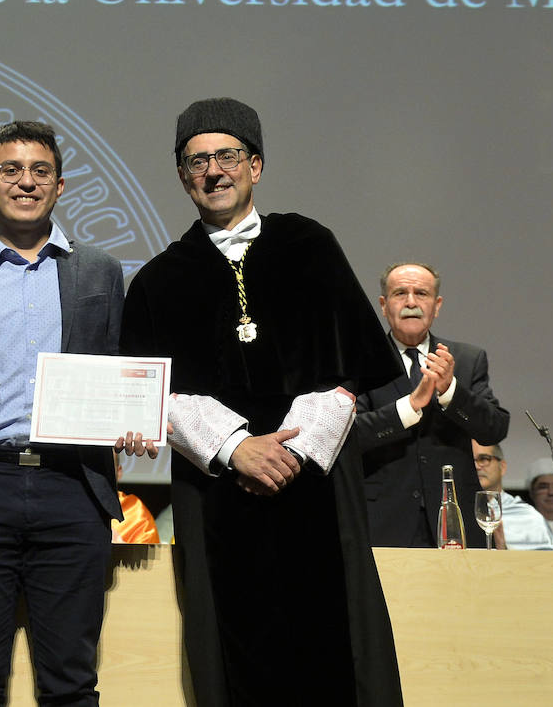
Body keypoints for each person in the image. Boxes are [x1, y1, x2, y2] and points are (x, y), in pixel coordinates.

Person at [120, 97, 404, 705]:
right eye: (197, 162)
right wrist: (235, 447)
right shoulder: (157, 282)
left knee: (339, 648)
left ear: (256, 166)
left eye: (227, 156)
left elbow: (355, 365)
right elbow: (150, 391)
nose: (213, 171)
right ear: (181, 176)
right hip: (219, 490)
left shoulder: (310, 245)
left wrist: (289, 453)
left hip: (318, 485)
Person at [0, 120, 155, 705]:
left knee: (72, 681)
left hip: (73, 486)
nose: (26, 182)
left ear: (61, 185)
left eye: (40, 171)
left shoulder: (100, 271)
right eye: (10, 170)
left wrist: (135, 418)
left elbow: (120, 366)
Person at [351, 262, 509, 548]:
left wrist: (450, 390)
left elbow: (494, 429)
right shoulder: (360, 359)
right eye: (400, 293)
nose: (411, 302)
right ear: (384, 305)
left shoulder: (466, 358)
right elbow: (349, 434)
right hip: (382, 520)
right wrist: (410, 406)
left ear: (437, 305)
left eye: (421, 294)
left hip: (455, 516)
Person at [471, 441, 553, 550]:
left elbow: (549, 563)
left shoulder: (527, 517)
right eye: (470, 461)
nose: (476, 466)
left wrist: (504, 551)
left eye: (483, 459)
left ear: (502, 467)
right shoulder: (454, 513)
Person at [110, 454, 160, 544]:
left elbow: (147, 557)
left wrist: (119, 547)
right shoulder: (77, 509)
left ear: (119, 472)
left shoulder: (136, 513)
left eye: (106, 469)